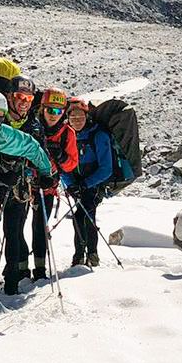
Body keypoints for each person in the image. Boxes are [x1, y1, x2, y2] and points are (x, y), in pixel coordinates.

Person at [0, 92, 56, 295]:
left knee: (10, 233)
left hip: (4, 190)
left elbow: (31, 146)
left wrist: (46, 171)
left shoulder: (1, 134)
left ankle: (8, 284)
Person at [28, 87, 79, 279]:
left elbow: (71, 164)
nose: (53, 115)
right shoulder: (32, 126)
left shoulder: (68, 134)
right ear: (42, 108)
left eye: (58, 111)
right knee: (14, 228)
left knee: (40, 226)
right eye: (50, 110)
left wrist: (60, 156)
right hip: (24, 185)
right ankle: (18, 267)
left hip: (47, 188)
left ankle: (40, 269)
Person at [64, 97, 115, 267]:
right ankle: (89, 255)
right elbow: (62, 164)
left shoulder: (98, 135)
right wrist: (70, 184)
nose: (77, 120)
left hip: (94, 185)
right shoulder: (66, 135)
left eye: (80, 117)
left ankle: (85, 255)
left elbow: (106, 168)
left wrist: (84, 185)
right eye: (73, 117)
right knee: (83, 215)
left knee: (83, 215)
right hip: (77, 184)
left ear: (87, 116)